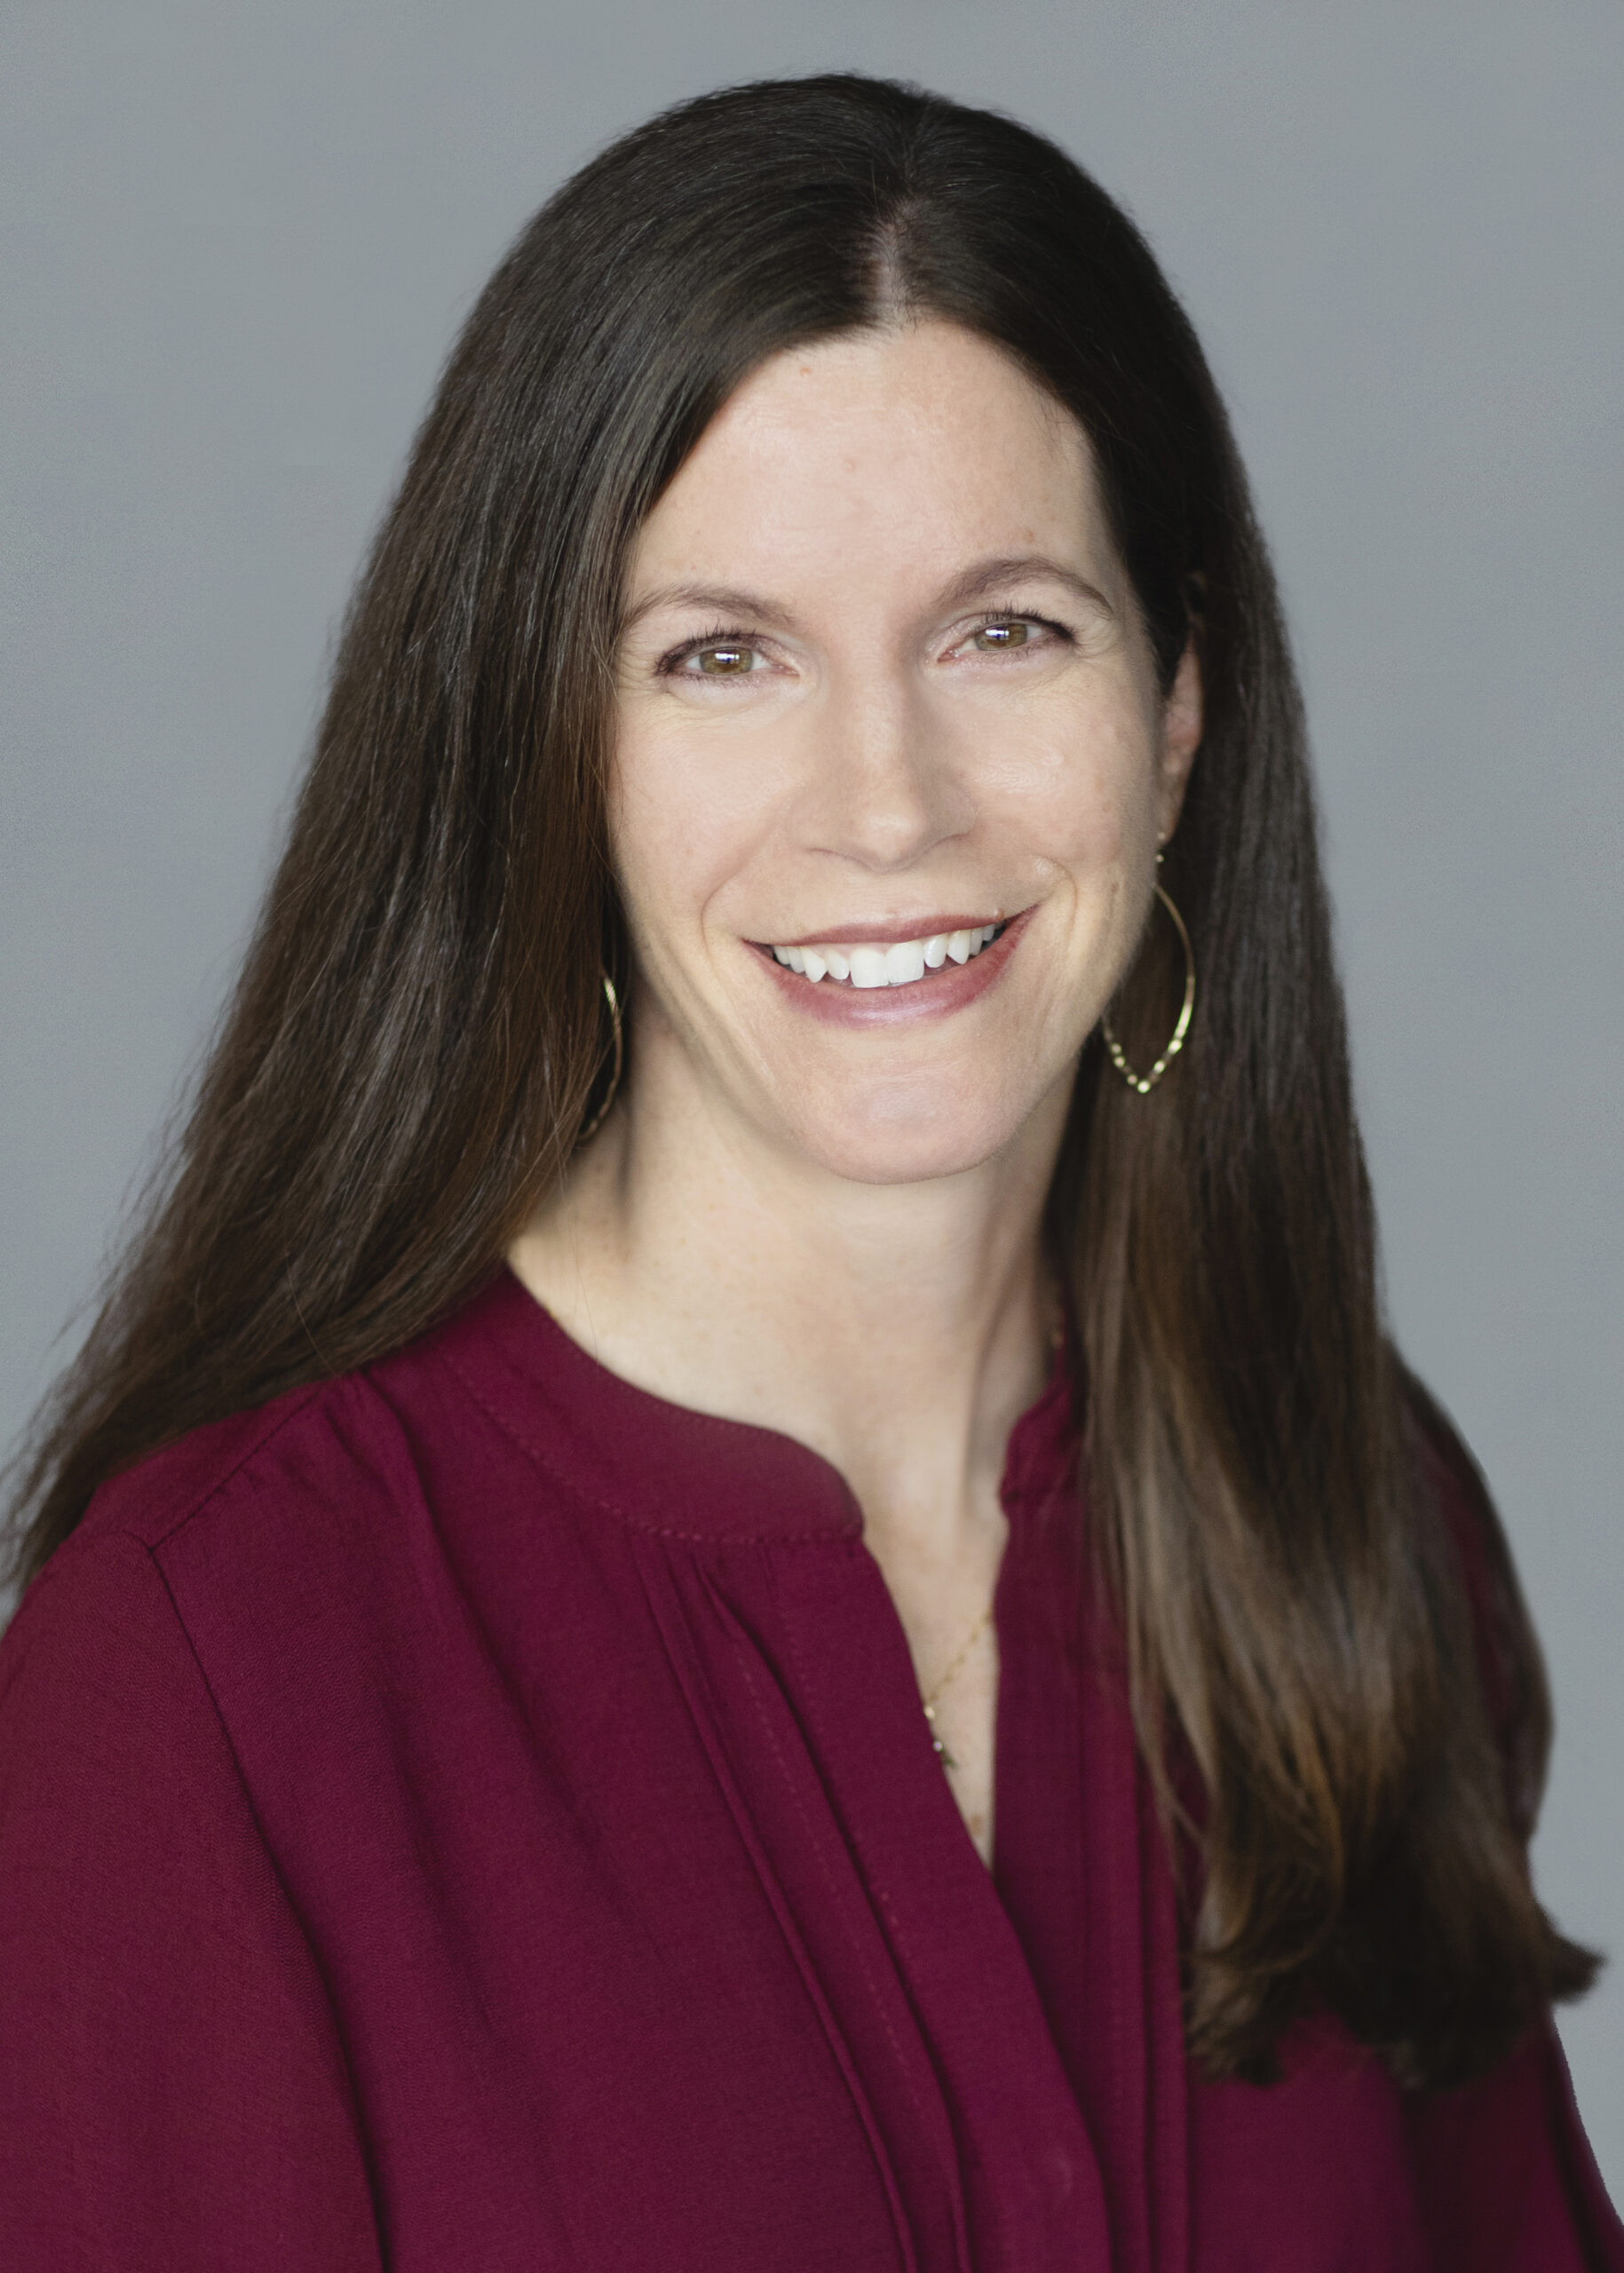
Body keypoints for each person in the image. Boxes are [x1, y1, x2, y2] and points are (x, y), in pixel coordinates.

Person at [0, 72, 1617, 2273]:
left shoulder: (1346, 1506)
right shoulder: (206, 1671)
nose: (886, 801)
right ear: (552, 751)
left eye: (1007, 629)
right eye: (725, 656)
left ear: (1178, 707)